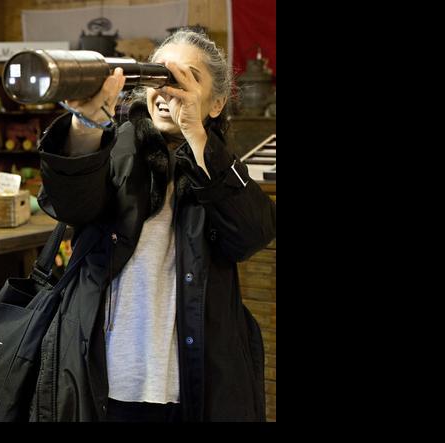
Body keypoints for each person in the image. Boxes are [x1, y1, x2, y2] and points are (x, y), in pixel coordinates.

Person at [35, 29, 277, 421]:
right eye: (157, 79)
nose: (168, 92)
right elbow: (70, 204)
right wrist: (85, 124)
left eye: (186, 81)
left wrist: (197, 137)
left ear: (216, 104)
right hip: (99, 374)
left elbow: (251, 235)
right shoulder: (113, 147)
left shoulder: (219, 165)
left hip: (193, 379)